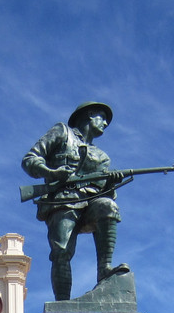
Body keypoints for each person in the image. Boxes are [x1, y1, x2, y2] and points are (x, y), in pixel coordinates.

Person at [22, 102, 125, 301]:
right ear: (89, 115)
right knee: (61, 251)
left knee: (108, 207)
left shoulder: (102, 157)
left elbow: (104, 191)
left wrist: (111, 183)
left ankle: (104, 268)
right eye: (102, 118)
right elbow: (30, 160)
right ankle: (62, 301)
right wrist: (52, 172)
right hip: (62, 201)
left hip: (90, 202)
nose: (105, 123)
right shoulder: (62, 132)